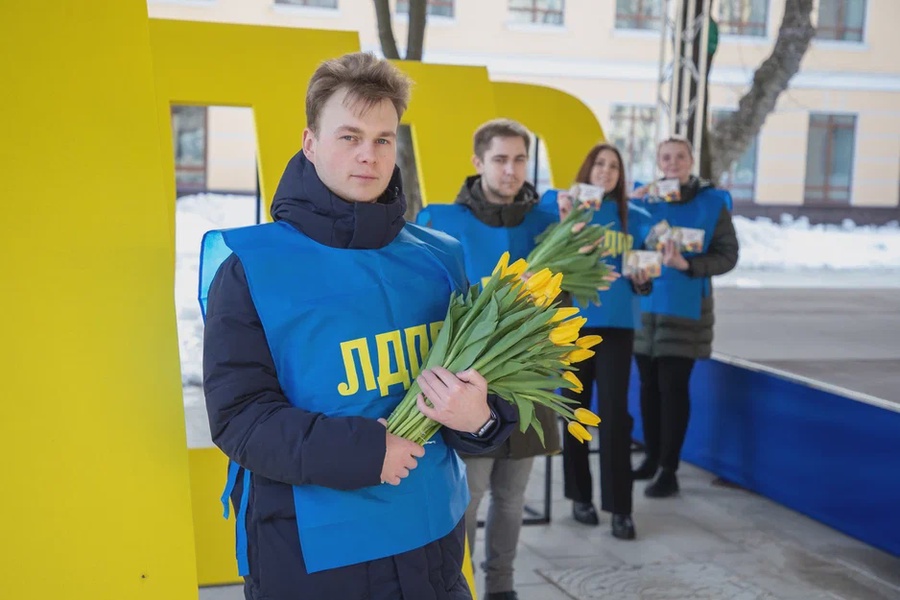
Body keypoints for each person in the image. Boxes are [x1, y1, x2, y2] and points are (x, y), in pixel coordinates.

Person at [199, 52, 517, 600]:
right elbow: (239, 419)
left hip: (432, 547)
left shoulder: (440, 258)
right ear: (310, 143)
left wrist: (481, 417)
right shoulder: (252, 267)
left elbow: (491, 387)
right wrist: (366, 451)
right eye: (349, 137)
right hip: (311, 560)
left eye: (383, 139)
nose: (368, 156)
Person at [417, 118, 561, 600]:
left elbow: (567, 300)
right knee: (469, 495)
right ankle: (463, 587)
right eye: (500, 159)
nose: (511, 169)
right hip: (469, 382)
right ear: (478, 163)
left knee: (513, 496)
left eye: (520, 159)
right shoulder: (441, 222)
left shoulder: (548, 223)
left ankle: (502, 587)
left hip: (530, 379)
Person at [550, 144, 653, 540]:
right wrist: (567, 221)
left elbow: (645, 279)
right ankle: (579, 496)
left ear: (621, 174)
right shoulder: (568, 208)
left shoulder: (636, 218)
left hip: (617, 326)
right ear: (588, 169)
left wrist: (644, 277)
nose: (606, 171)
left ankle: (621, 509)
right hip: (574, 324)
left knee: (614, 415)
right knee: (575, 412)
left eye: (613, 166)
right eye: (600, 164)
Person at [630, 136, 739, 498]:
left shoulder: (711, 203)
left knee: (673, 390)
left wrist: (687, 264)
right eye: (666, 157)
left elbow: (727, 256)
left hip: (687, 311)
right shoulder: (644, 200)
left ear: (691, 161)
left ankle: (669, 469)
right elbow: (629, 244)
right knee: (647, 388)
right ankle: (651, 455)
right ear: (658, 161)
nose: (672, 163)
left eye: (680, 156)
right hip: (645, 309)